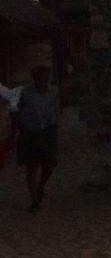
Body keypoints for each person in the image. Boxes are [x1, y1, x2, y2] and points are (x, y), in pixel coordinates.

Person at [14, 65, 59, 212]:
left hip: (47, 131)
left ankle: (41, 185)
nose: (42, 79)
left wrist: (55, 124)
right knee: (32, 166)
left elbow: (54, 109)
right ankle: (34, 200)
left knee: (50, 164)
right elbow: (16, 110)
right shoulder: (25, 93)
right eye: (39, 76)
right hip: (29, 132)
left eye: (44, 76)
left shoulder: (52, 92)